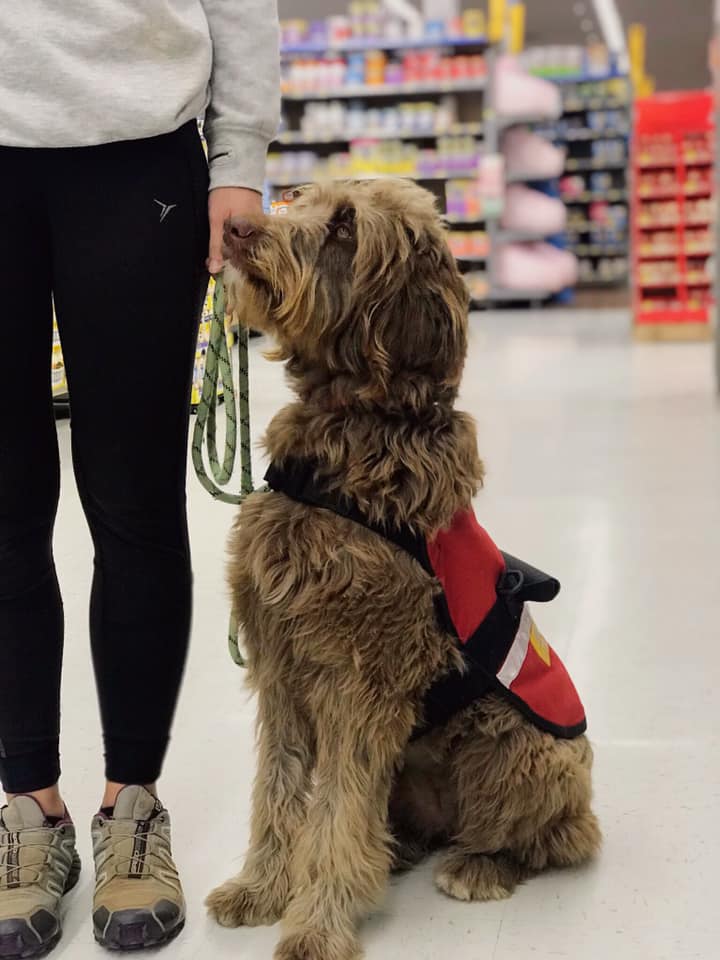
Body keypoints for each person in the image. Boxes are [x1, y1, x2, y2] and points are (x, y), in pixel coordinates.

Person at [0, 2, 280, 954]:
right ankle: (29, 808)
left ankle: (133, 804)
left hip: (139, 149)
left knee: (133, 501)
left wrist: (237, 158)